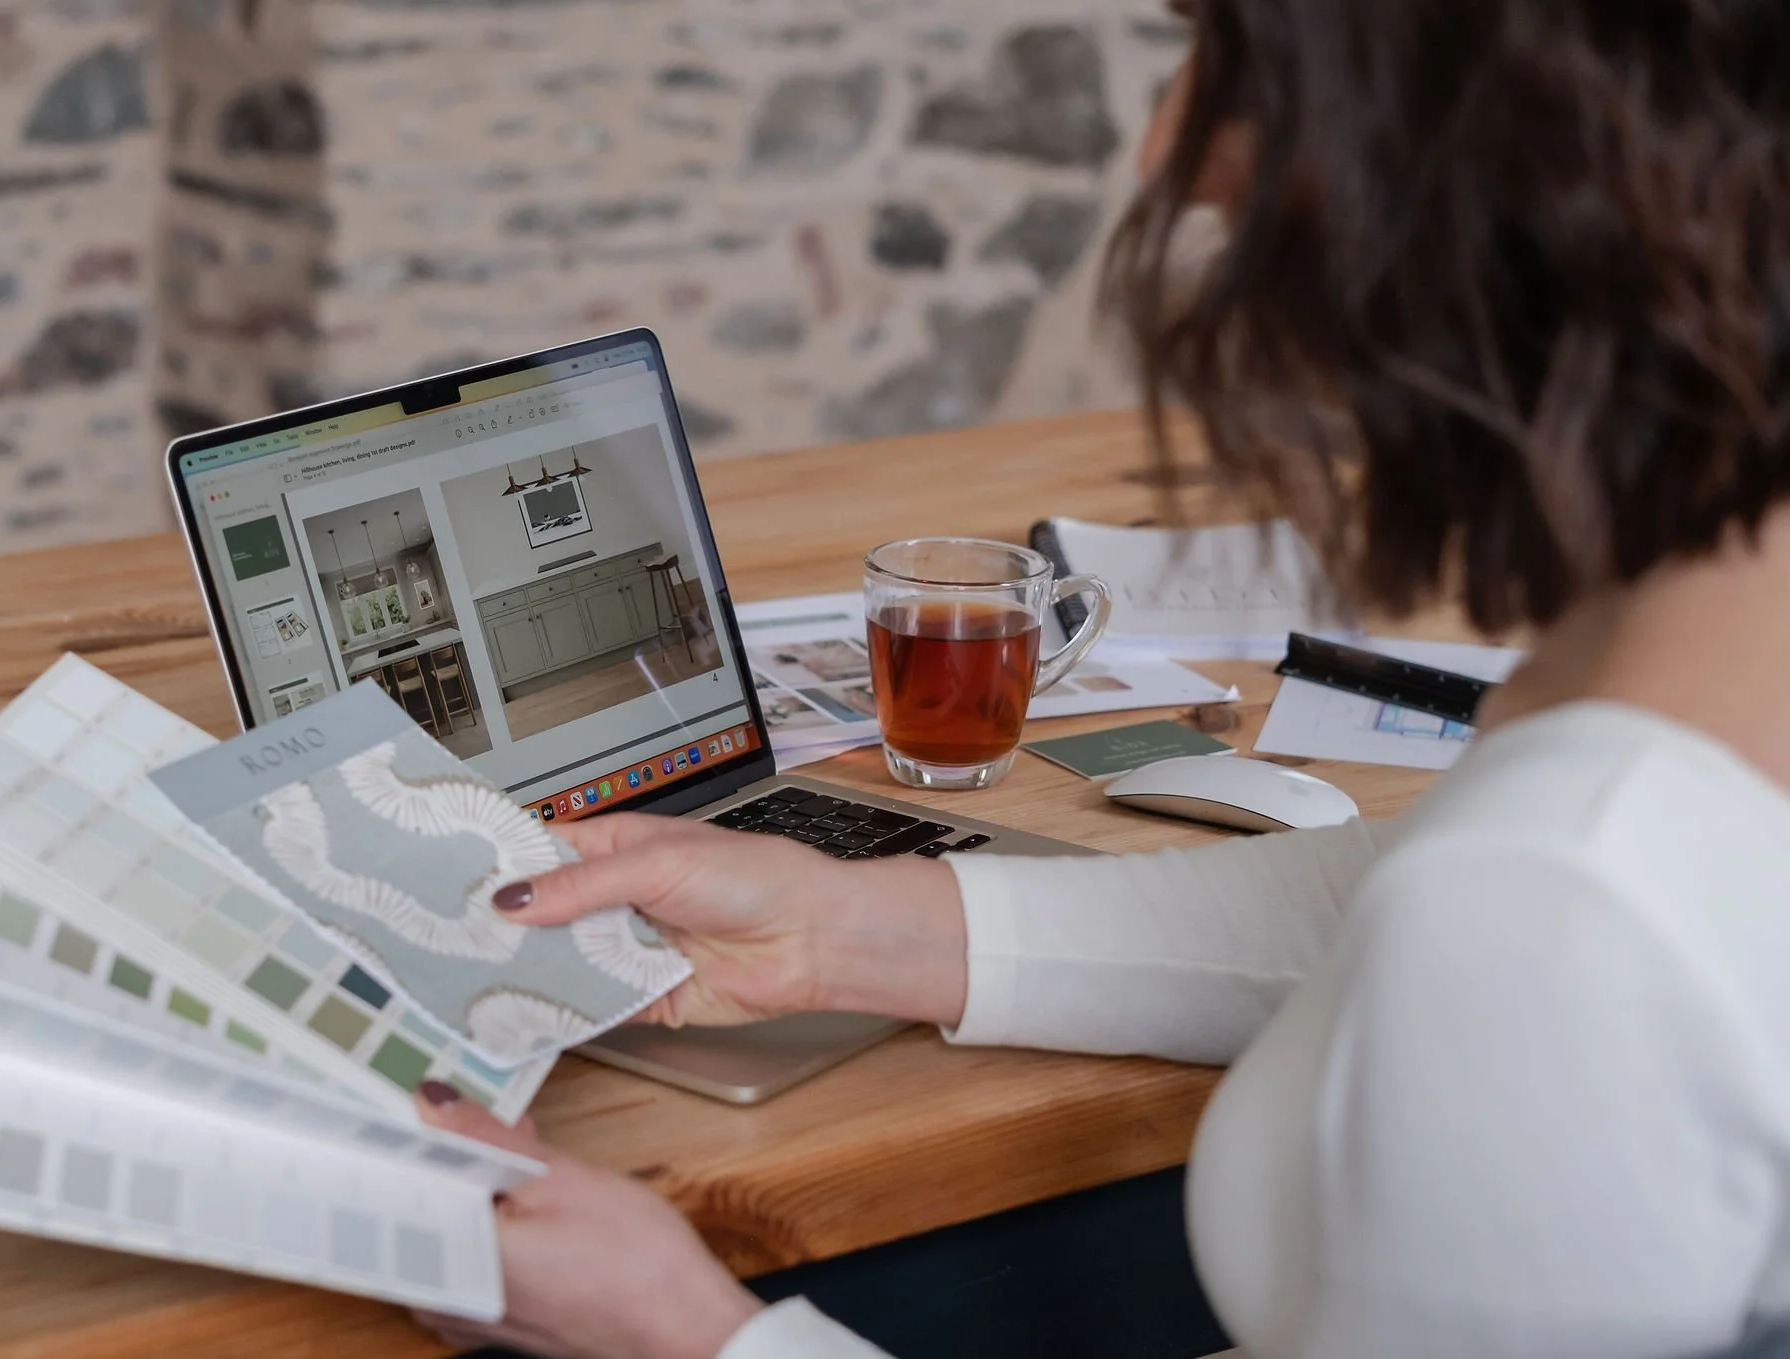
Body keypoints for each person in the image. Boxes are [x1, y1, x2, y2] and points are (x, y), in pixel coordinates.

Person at [411, 2, 1790, 1355]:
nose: (1164, 144)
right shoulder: (1689, 666)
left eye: (1235, 50)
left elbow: (1520, 928)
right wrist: (843, 928)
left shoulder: (1561, 903)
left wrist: (692, 1332)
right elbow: (1384, 898)